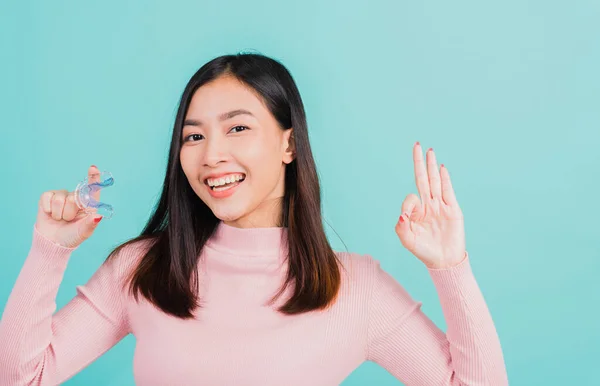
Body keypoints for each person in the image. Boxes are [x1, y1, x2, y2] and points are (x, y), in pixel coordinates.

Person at [0, 53, 508, 385]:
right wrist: (49, 249)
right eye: (194, 136)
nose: (211, 155)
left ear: (289, 143)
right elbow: (23, 377)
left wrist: (451, 267)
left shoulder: (355, 288)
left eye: (237, 128)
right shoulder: (144, 269)